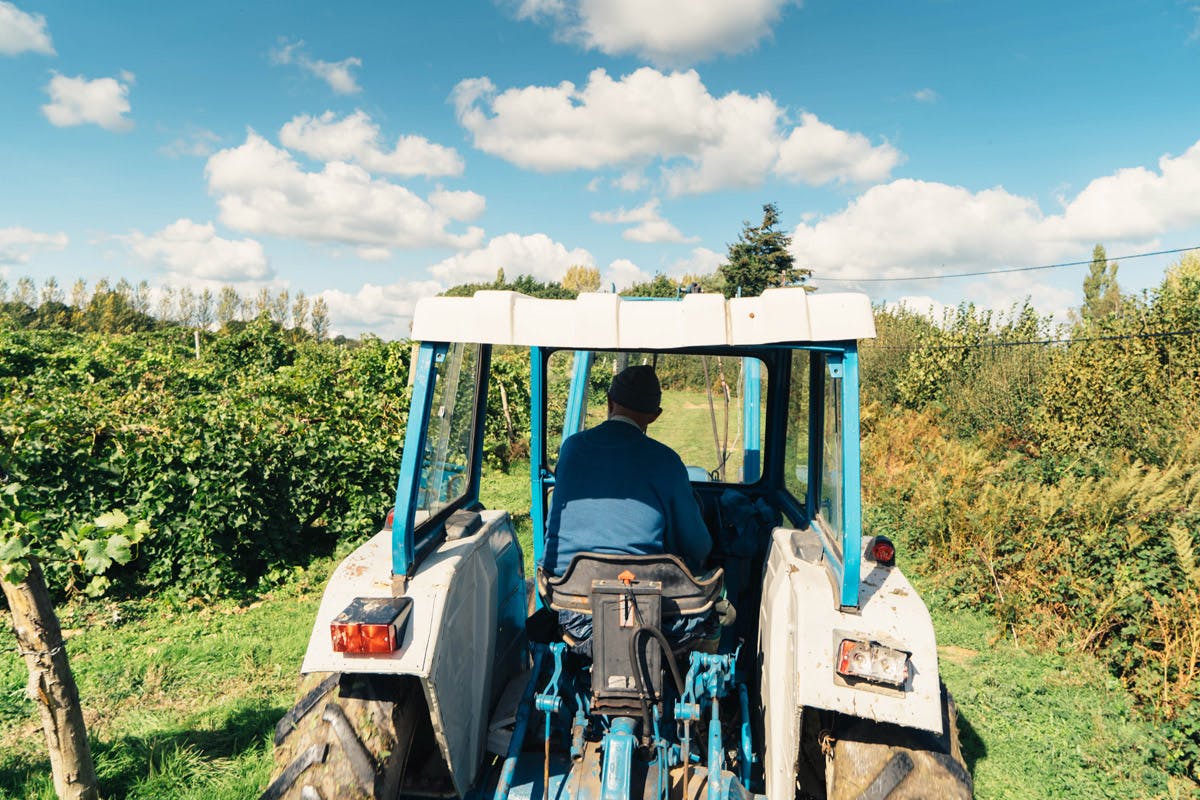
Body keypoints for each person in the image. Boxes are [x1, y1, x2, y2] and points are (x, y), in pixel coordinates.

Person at [541, 365, 715, 649]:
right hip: (652, 617)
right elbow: (698, 547)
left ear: (609, 401)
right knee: (711, 614)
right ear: (655, 416)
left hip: (573, 610)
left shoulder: (572, 449)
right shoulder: (665, 461)